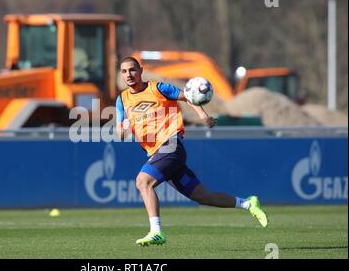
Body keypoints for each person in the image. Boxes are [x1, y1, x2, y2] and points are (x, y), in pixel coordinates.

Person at [115, 57, 268, 246]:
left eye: (132, 70)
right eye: (124, 71)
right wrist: (125, 127)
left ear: (140, 70)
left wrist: (203, 115)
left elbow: (189, 96)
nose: (128, 74)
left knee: (142, 181)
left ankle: (156, 232)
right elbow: (119, 134)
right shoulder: (122, 99)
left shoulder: (157, 88)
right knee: (204, 197)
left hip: (170, 146)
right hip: (158, 154)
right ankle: (247, 203)